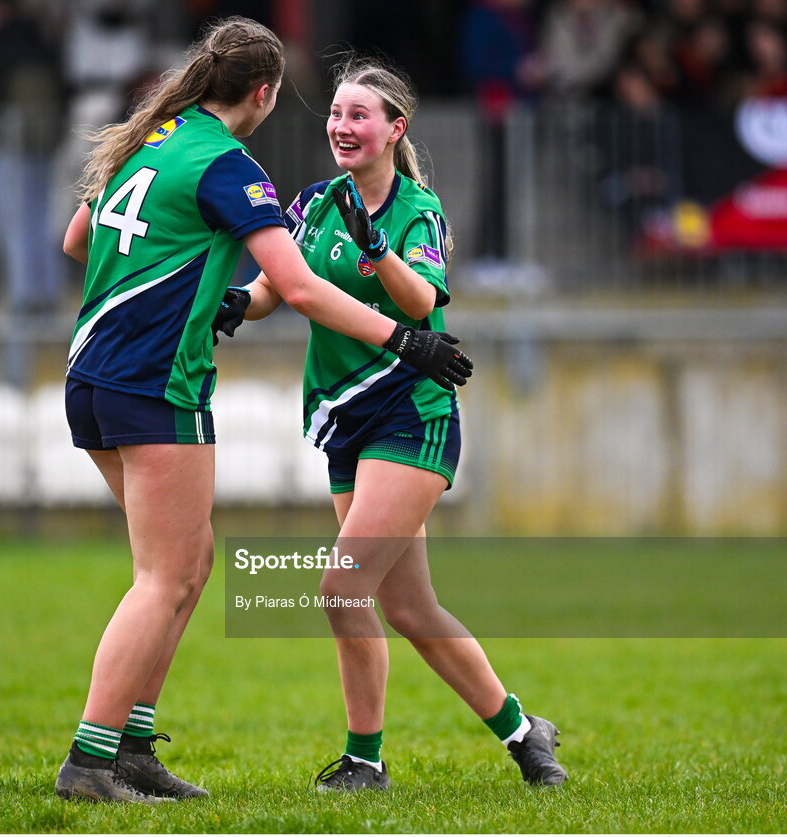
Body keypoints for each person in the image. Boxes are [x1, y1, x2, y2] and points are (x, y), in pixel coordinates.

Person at [55, 18, 472, 805]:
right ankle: (90, 759)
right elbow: (304, 287)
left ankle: (135, 748)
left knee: (189, 562)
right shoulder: (226, 165)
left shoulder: (153, 135)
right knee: (165, 574)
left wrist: (188, 278)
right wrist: (408, 342)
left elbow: (79, 239)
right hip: (154, 379)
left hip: (92, 369)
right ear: (265, 91)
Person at [242, 57, 568, 791]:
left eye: (360, 114)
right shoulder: (315, 201)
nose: (341, 126)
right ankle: (524, 731)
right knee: (411, 606)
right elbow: (273, 285)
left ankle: (364, 758)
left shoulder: (417, 207)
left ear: (396, 129)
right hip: (343, 416)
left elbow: (422, 301)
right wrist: (240, 304)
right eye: (335, 113)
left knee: (340, 587)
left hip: (411, 410)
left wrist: (376, 249)